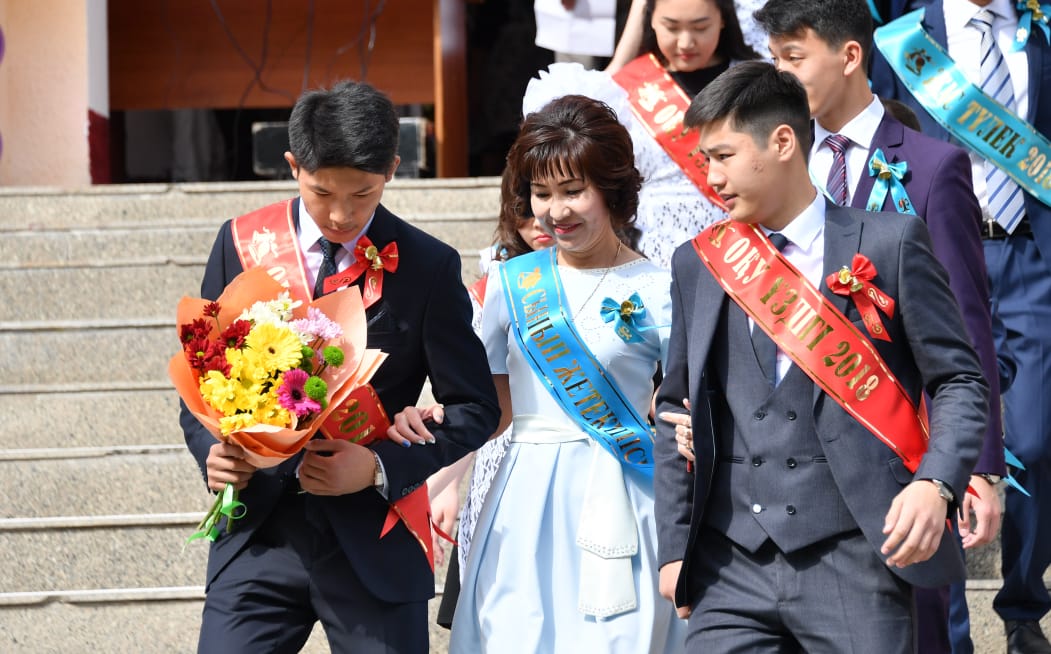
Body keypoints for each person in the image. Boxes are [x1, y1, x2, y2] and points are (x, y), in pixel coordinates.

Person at [654, 61, 988, 653]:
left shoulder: (889, 242)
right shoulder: (697, 263)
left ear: (783, 142)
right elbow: (674, 409)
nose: (712, 177)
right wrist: (675, 548)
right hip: (729, 566)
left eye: (724, 156)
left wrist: (937, 482)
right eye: (706, 160)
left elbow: (960, 379)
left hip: (857, 555)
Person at [179, 80, 501, 653]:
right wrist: (215, 453)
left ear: (393, 170)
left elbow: (475, 407)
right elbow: (201, 377)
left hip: (376, 536)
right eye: (322, 191)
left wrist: (378, 466)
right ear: (293, 166)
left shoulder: (426, 265)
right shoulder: (241, 243)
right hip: (259, 535)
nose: (340, 214)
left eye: (363, 194)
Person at [752, 1, 1006, 651]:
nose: (779, 75)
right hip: (789, 457)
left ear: (849, 55)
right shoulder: (769, 161)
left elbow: (965, 320)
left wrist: (978, 465)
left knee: (922, 627)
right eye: (773, 59)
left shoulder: (931, 165)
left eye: (793, 58)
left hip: (899, 447)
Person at [397, 94, 684, 651]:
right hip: (525, 494)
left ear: (612, 188)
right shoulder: (512, 284)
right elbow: (493, 411)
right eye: (542, 193)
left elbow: (676, 406)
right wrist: (432, 427)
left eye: (573, 191)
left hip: (624, 489)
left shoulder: (658, 288)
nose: (556, 211)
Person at [870, 2, 1051, 651]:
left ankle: (1022, 604)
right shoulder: (903, 38)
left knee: (1034, 440)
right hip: (932, 251)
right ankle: (947, 633)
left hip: (1026, 252)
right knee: (929, 433)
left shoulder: (1039, 29)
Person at [526, 0, 760, 267]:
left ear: (723, 19)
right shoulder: (626, 87)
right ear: (650, 20)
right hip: (650, 249)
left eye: (700, 27)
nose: (685, 42)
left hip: (741, 251)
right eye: (671, 27)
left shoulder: (755, 80)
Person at [428, 167, 555, 628]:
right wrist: (445, 483)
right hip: (502, 471)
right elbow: (483, 404)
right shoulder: (495, 289)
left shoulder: (623, 281)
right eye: (526, 208)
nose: (541, 220)